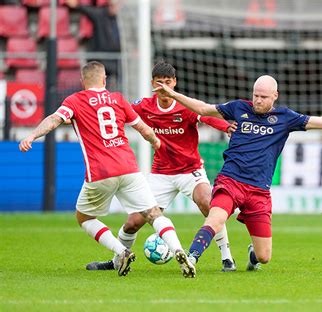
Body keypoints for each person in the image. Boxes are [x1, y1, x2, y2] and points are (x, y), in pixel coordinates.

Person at [153, 74, 322, 277]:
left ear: (275, 96)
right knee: (216, 218)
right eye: (255, 95)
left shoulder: (286, 118)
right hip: (231, 180)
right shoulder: (238, 108)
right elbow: (203, 108)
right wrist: (173, 94)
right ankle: (191, 258)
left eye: (263, 97)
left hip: (259, 190)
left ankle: (252, 255)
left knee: (264, 256)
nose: (257, 100)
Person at [18, 61, 195, 277]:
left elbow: (54, 120)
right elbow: (144, 129)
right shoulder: (118, 99)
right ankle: (178, 249)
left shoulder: (75, 100)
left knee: (84, 218)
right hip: (129, 168)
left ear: (83, 81)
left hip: (100, 172)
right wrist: (156, 142)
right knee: (153, 214)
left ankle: (121, 251)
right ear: (104, 80)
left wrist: (31, 136)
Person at [86, 61, 238, 273]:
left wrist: (226, 126)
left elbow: (207, 117)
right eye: (160, 83)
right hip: (161, 174)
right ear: (152, 84)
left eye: (168, 82)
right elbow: (118, 113)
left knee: (208, 203)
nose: (164, 88)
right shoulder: (143, 106)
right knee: (133, 223)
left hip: (190, 170)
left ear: (175, 83)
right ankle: (117, 259)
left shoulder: (185, 106)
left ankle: (227, 258)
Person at [64, 0, 121, 89]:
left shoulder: (120, 20)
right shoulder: (100, 15)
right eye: (111, 5)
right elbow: (87, 10)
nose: (114, 7)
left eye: (116, 5)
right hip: (101, 59)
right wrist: (77, 5)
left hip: (117, 60)